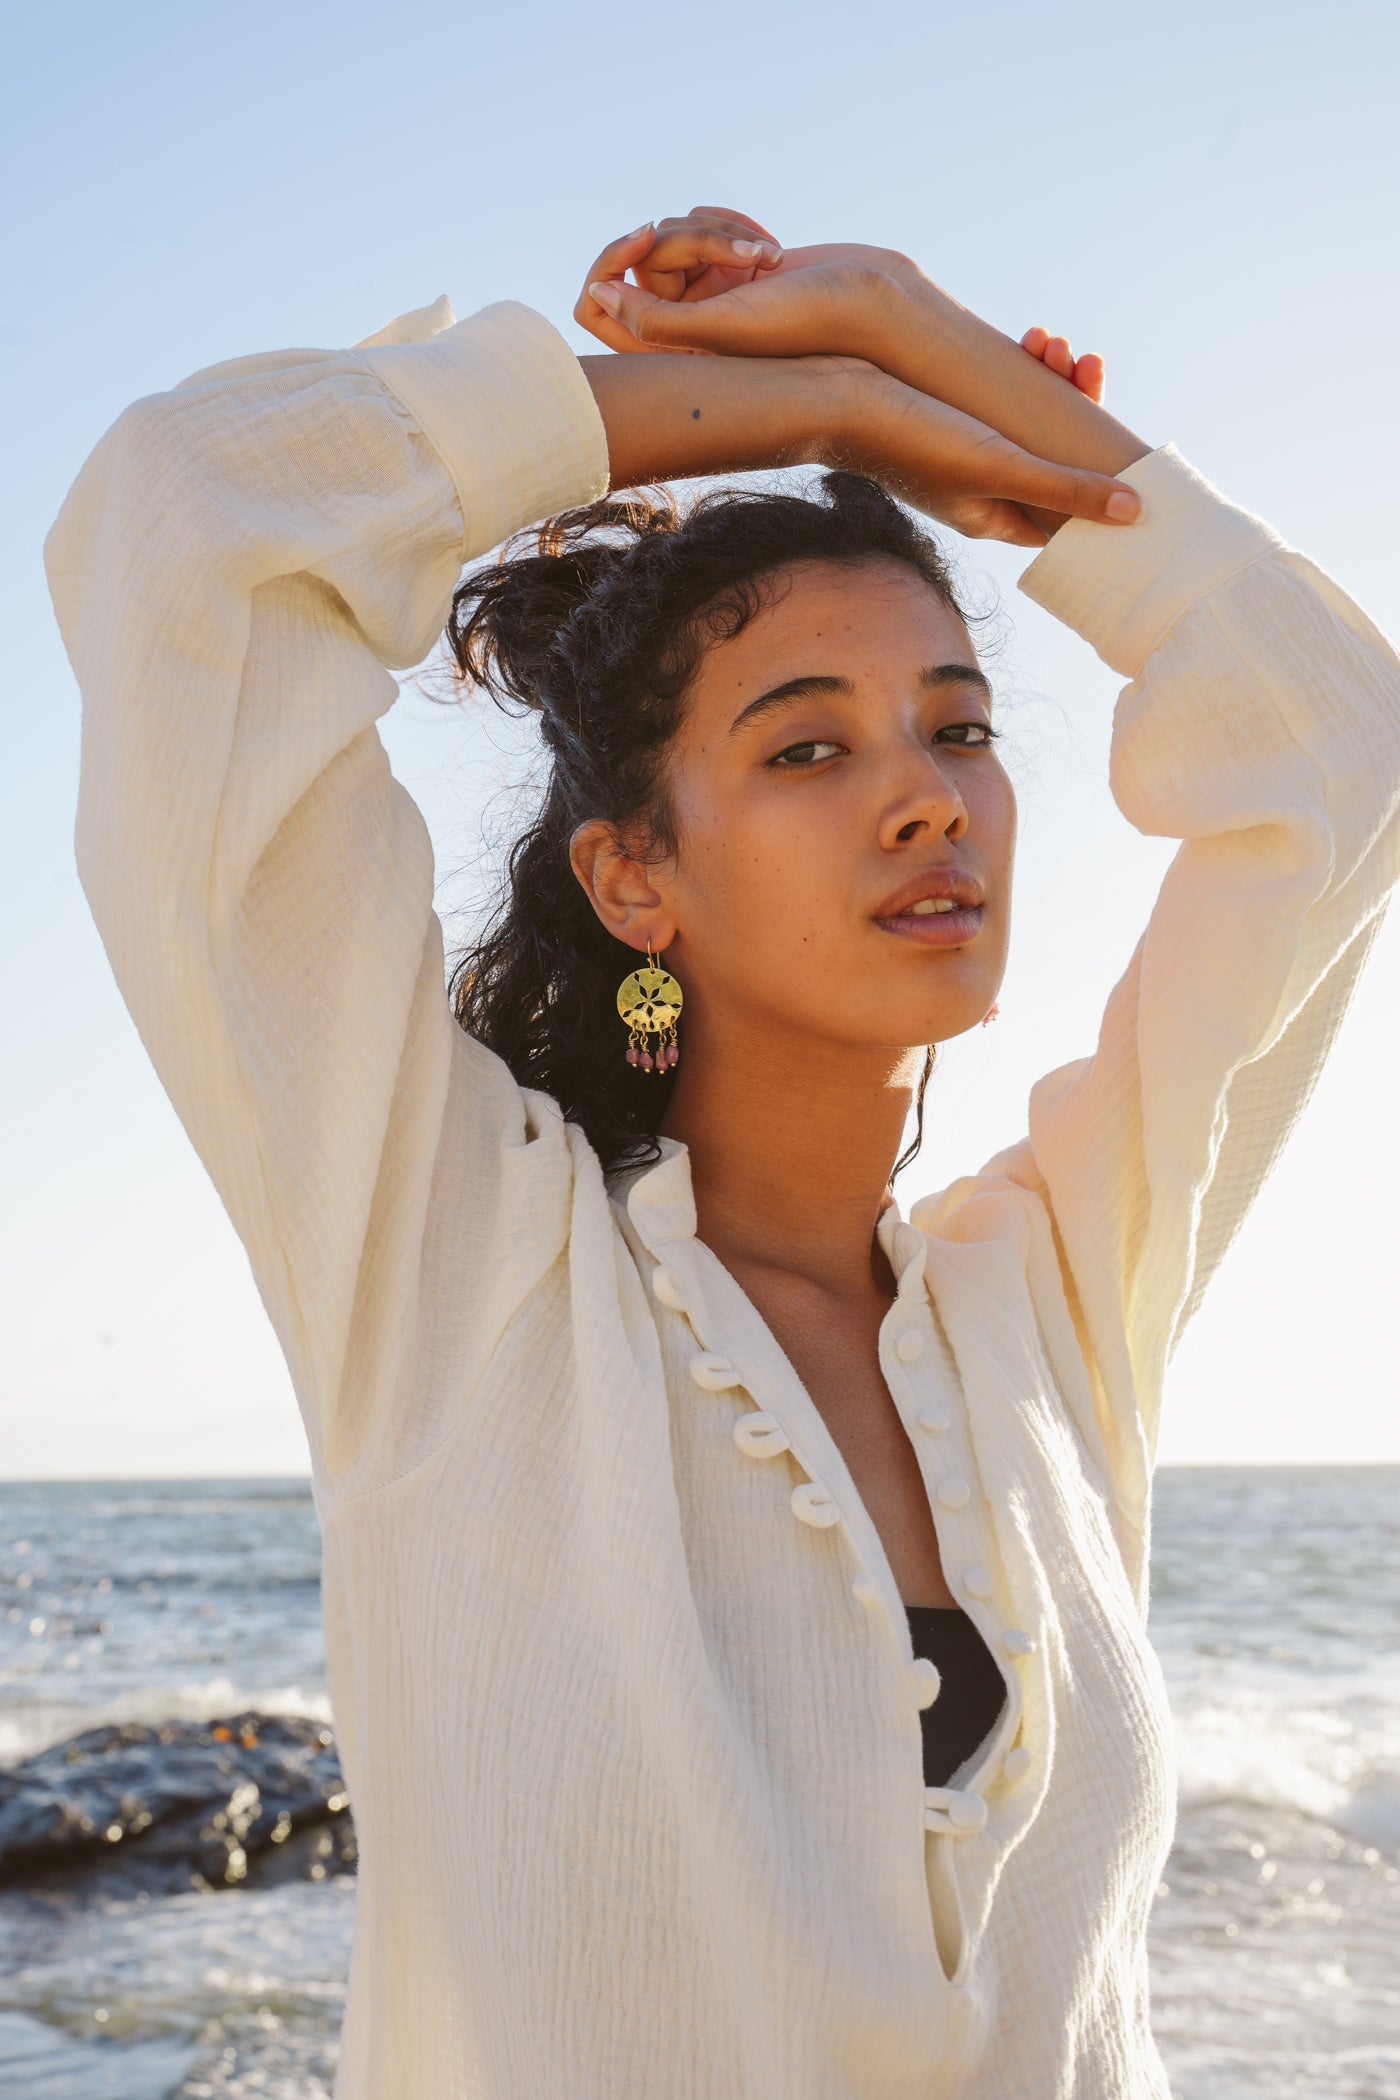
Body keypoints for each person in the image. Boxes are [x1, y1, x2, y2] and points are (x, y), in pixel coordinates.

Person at [45, 206, 1400, 2100]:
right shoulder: (454, 1270)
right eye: (806, 749)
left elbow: (1336, 753)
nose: (931, 793)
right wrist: (787, 404)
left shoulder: (1057, 1311)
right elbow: (190, 534)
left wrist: (916, 340)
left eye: (960, 724)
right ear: (633, 877)